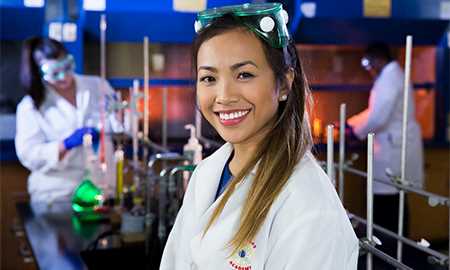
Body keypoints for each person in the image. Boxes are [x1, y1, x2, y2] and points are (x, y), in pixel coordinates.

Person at [160, 3, 358, 269]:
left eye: (244, 74)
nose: (224, 96)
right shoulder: (207, 173)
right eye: (208, 78)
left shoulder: (308, 206)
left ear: (285, 84)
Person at [15, 37, 122, 204]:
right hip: (57, 193)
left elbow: (121, 122)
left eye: (67, 67)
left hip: (101, 187)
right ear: (40, 72)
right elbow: (28, 154)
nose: (64, 77)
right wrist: (65, 144)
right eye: (55, 73)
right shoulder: (31, 106)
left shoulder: (97, 86)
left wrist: (122, 116)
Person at [347, 42, 424, 268]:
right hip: (391, 145)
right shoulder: (390, 76)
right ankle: (390, 250)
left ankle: (389, 253)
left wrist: (352, 130)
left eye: (368, 63)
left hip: (392, 148)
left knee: (388, 201)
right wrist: (350, 123)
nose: (368, 68)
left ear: (377, 59)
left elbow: (379, 116)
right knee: (392, 198)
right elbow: (375, 111)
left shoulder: (391, 78)